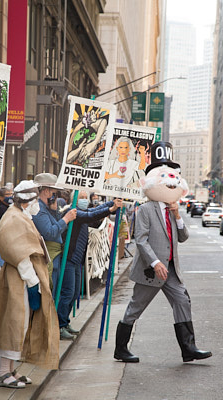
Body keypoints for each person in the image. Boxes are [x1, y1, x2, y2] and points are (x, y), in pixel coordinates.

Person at [114, 141, 212, 364]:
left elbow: (184, 236)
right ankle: (121, 349)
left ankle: (189, 348)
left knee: (182, 301)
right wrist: (156, 262)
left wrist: (177, 216)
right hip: (151, 270)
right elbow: (141, 240)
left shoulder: (173, 209)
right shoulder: (145, 210)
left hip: (171, 270)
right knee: (135, 307)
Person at [0, 180, 60, 389]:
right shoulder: (14, 217)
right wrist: (33, 281)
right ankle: (2, 372)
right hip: (18, 279)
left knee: (21, 323)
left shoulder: (21, 214)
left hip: (22, 279)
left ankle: (9, 370)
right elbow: (18, 252)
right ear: (29, 200)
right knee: (14, 323)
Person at [57, 191, 122, 340]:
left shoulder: (82, 211)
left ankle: (65, 322)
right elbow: (90, 216)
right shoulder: (72, 212)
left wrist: (111, 202)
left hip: (77, 260)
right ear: (74, 200)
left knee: (74, 294)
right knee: (67, 293)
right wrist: (109, 210)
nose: (85, 200)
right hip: (68, 258)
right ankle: (59, 326)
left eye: (86, 198)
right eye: (82, 198)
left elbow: (92, 211)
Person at [32, 173, 77, 297]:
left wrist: (54, 210)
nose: (56, 196)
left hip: (54, 254)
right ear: (46, 191)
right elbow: (50, 233)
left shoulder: (46, 207)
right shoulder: (39, 209)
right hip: (48, 254)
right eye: (55, 193)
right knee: (49, 291)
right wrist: (66, 219)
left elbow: (56, 226)